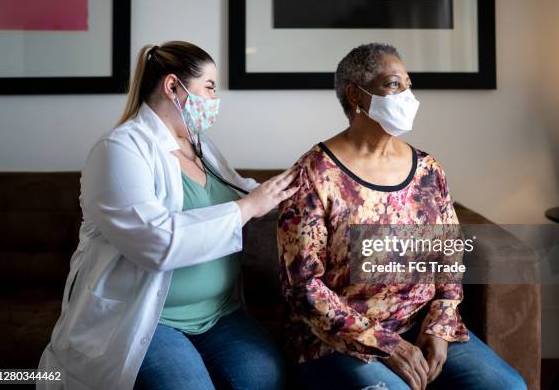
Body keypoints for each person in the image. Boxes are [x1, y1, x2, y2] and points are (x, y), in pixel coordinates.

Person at [37, 41, 297, 390]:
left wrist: (306, 184)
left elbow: (241, 190)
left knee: (266, 379)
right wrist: (248, 208)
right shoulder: (119, 151)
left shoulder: (199, 146)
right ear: (173, 86)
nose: (215, 99)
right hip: (148, 319)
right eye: (209, 87)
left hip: (219, 315)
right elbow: (156, 242)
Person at [277, 43, 527, 390]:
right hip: (337, 342)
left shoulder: (428, 170)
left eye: (409, 85)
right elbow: (303, 288)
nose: (408, 96)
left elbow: (449, 256)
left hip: (420, 323)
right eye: (394, 85)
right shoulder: (314, 175)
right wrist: (385, 344)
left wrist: (440, 326)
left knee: (507, 387)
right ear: (356, 95)